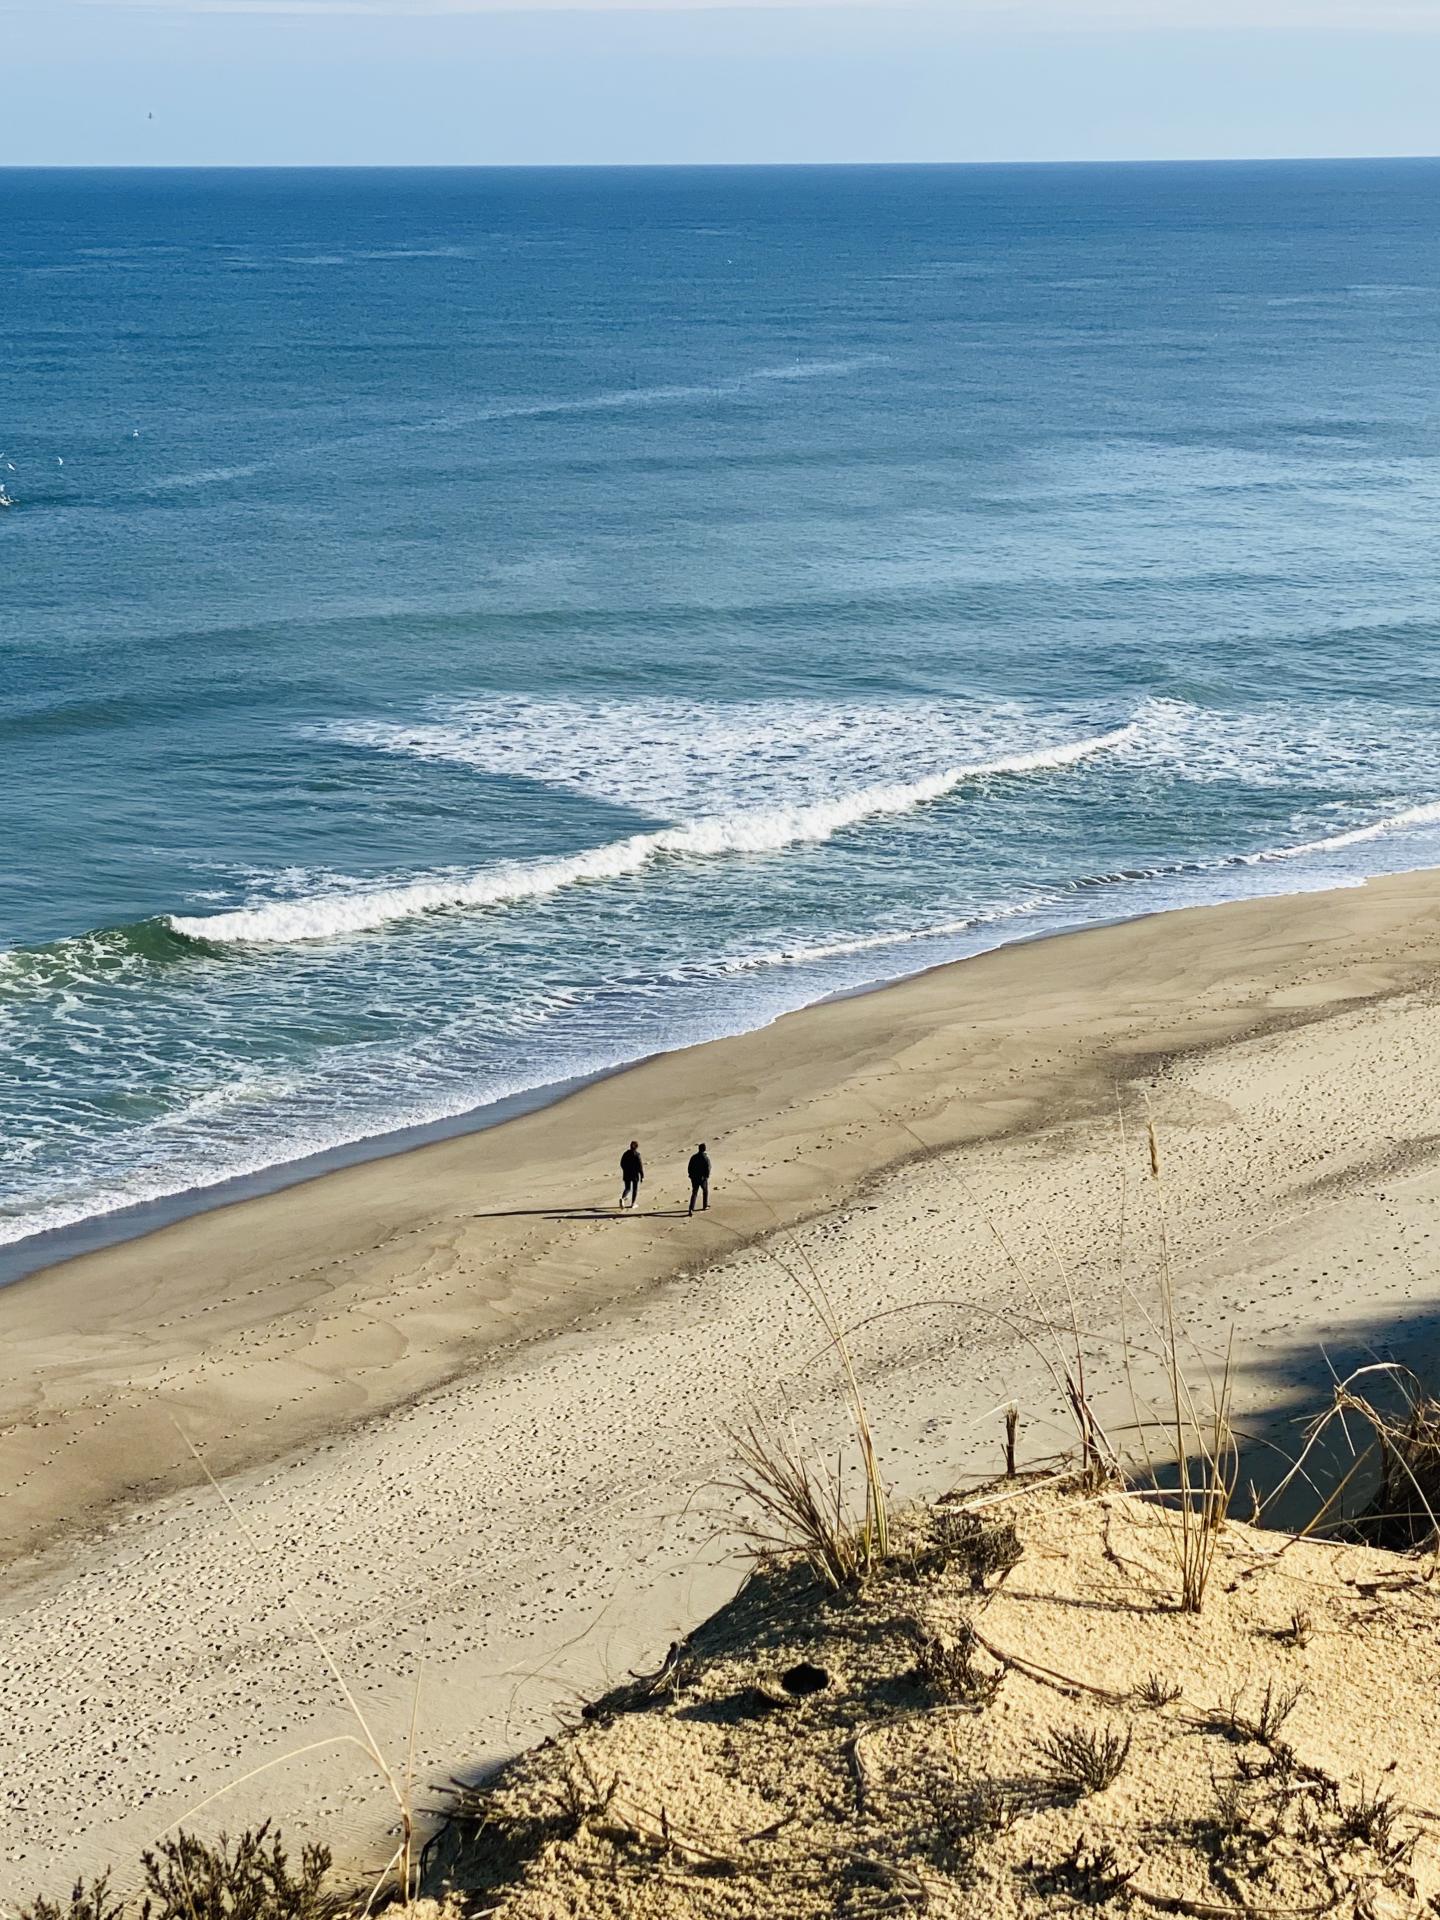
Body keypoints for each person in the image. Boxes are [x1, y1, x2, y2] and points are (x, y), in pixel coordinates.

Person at [687, 1142, 711, 1215]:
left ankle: (691, 1209)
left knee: (694, 1193)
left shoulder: (693, 1157)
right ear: (704, 1149)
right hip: (702, 1178)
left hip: (694, 1178)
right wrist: (707, 1176)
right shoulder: (705, 1157)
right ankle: (705, 1205)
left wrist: (690, 1175)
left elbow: (689, 1167)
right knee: (705, 1191)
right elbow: (708, 1167)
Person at [619, 1140, 644, 1210]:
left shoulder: (626, 1153)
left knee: (627, 1188)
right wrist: (642, 1176)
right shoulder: (637, 1155)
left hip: (627, 1174)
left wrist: (625, 1170)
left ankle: (623, 1199)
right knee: (635, 1189)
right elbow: (640, 1167)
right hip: (635, 1175)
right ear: (636, 1147)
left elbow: (622, 1163)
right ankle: (633, 1204)